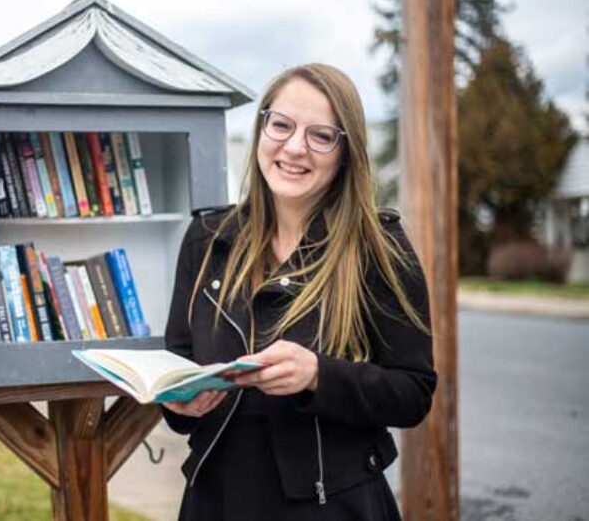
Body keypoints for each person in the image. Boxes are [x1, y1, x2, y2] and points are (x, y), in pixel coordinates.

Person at [161, 63, 437, 520]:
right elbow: (181, 365)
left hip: (332, 506)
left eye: (320, 135)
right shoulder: (207, 239)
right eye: (282, 125)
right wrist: (180, 405)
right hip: (216, 500)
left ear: (346, 152)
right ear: (261, 128)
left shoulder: (379, 249)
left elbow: (413, 393)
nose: (294, 147)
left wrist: (319, 376)